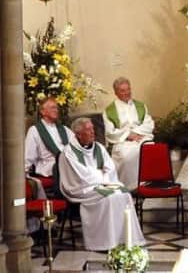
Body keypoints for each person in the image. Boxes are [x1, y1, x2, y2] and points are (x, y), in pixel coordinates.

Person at [58, 117, 145, 251]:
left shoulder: (98, 147)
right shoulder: (69, 152)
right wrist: (100, 174)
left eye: (92, 128)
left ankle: (125, 239)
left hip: (101, 184)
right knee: (109, 198)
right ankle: (105, 242)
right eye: (88, 129)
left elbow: (110, 168)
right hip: (81, 189)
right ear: (78, 134)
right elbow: (82, 176)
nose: (93, 132)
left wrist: (101, 177)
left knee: (124, 194)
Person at [103, 77, 154, 190]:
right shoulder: (109, 111)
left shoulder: (141, 106)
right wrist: (128, 135)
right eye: (123, 90)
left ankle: (148, 185)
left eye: (128, 89)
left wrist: (136, 133)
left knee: (150, 148)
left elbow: (149, 124)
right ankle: (129, 188)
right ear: (116, 92)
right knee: (126, 156)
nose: (127, 93)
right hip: (123, 141)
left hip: (141, 138)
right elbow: (110, 132)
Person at [25, 97, 75, 178]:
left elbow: (77, 145)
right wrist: (24, 173)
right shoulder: (35, 130)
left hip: (68, 163)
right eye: (53, 108)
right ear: (43, 111)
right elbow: (28, 155)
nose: (56, 110)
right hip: (49, 167)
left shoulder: (63, 129)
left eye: (57, 108)